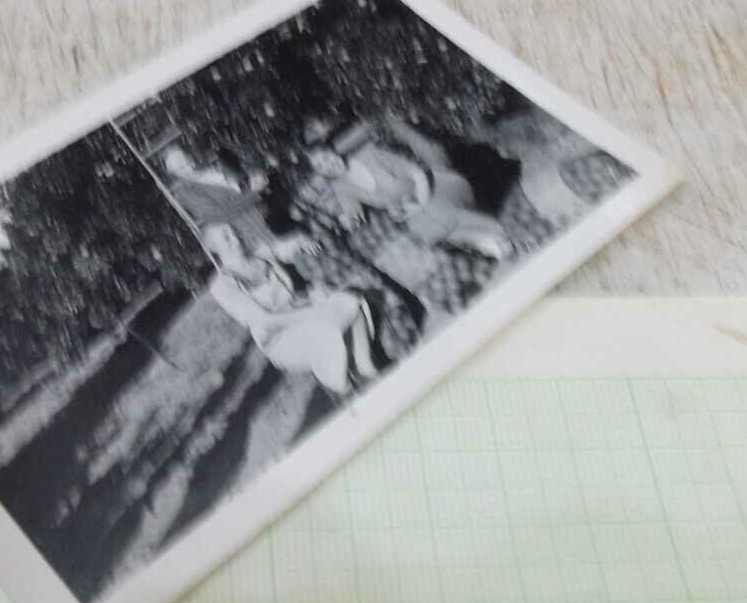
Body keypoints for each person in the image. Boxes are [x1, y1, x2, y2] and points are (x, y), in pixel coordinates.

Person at [301, 113, 513, 260]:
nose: (328, 165)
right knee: (423, 231)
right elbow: (352, 213)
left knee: (436, 213)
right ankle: (484, 241)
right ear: (320, 172)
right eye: (320, 166)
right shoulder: (341, 188)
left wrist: (418, 205)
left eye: (326, 157)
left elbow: (418, 174)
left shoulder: (369, 153)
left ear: (334, 152)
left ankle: (495, 232)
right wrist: (348, 220)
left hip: (438, 184)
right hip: (418, 211)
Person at [201, 222, 377, 396]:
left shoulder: (259, 254)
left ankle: (366, 367)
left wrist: (301, 240)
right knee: (324, 330)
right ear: (215, 248)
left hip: (304, 314)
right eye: (226, 237)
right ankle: (346, 390)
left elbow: (286, 246)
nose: (235, 238)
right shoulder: (222, 286)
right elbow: (266, 320)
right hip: (279, 339)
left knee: (350, 301)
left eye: (234, 231)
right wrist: (312, 312)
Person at [162, 144, 318, 262]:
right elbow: (219, 215)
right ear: (173, 172)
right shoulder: (186, 192)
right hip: (256, 233)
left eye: (184, 157)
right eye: (178, 164)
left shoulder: (212, 168)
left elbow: (244, 182)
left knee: (316, 236)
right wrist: (254, 192)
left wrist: (256, 177)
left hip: (272, 210)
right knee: (308, 253)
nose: (186, 163)